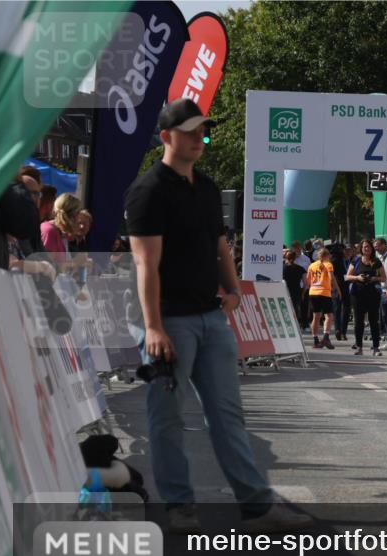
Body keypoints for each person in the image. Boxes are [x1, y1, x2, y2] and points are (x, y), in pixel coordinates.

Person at [126, 97, 311, 533]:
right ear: (167, 137)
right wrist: (153, 326)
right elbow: (145, 265)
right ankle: (178, 506)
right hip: (170, 322)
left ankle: (256, 505)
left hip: (211, 318)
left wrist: (232, 289)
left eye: (204, 132)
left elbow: (221, 246)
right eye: (191, 132)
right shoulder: (148, 191)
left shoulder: (206, 188)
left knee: (228, 415)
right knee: (167, 418)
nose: (200, 139)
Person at [345, 239, 387, 355]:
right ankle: (359, 347)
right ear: (361, 249)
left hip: (373, 295)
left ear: (372, 248)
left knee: (374, 321)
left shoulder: (376, 261)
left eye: (368, 247)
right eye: (364, 247)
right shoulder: (356, 260)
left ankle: (375, 348)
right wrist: (357, 278)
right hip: (357, 295)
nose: (366, 249)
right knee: (358, 321)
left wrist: (374, 278)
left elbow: (384, 278)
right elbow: (347, 277)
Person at [307, 248, 337, 349]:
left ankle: (315, 340)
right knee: (329, 316)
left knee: (316, 317)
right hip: (324, 292)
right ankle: (326, 337)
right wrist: (333, 287)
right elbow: (331, 277)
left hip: (313, 292)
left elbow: (308, 280)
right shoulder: (328, 264)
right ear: (327, 255)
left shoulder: (312, 265)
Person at [42, 193, 80, 257]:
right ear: (74, 215)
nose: (79, 218)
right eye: (78, 212)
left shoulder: (63, 233)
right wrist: (75, 263)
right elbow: (47, 265)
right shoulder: (49, 231)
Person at [282, 250, 306, 324]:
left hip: (285, 291)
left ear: (286, 257)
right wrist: (303, 293)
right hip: (297, 291)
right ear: (295, 258)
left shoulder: (282, 268)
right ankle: (296, 324)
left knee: (285, 308)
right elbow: (306, 283)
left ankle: (287, 324)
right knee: (295, 308)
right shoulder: (300, 268)